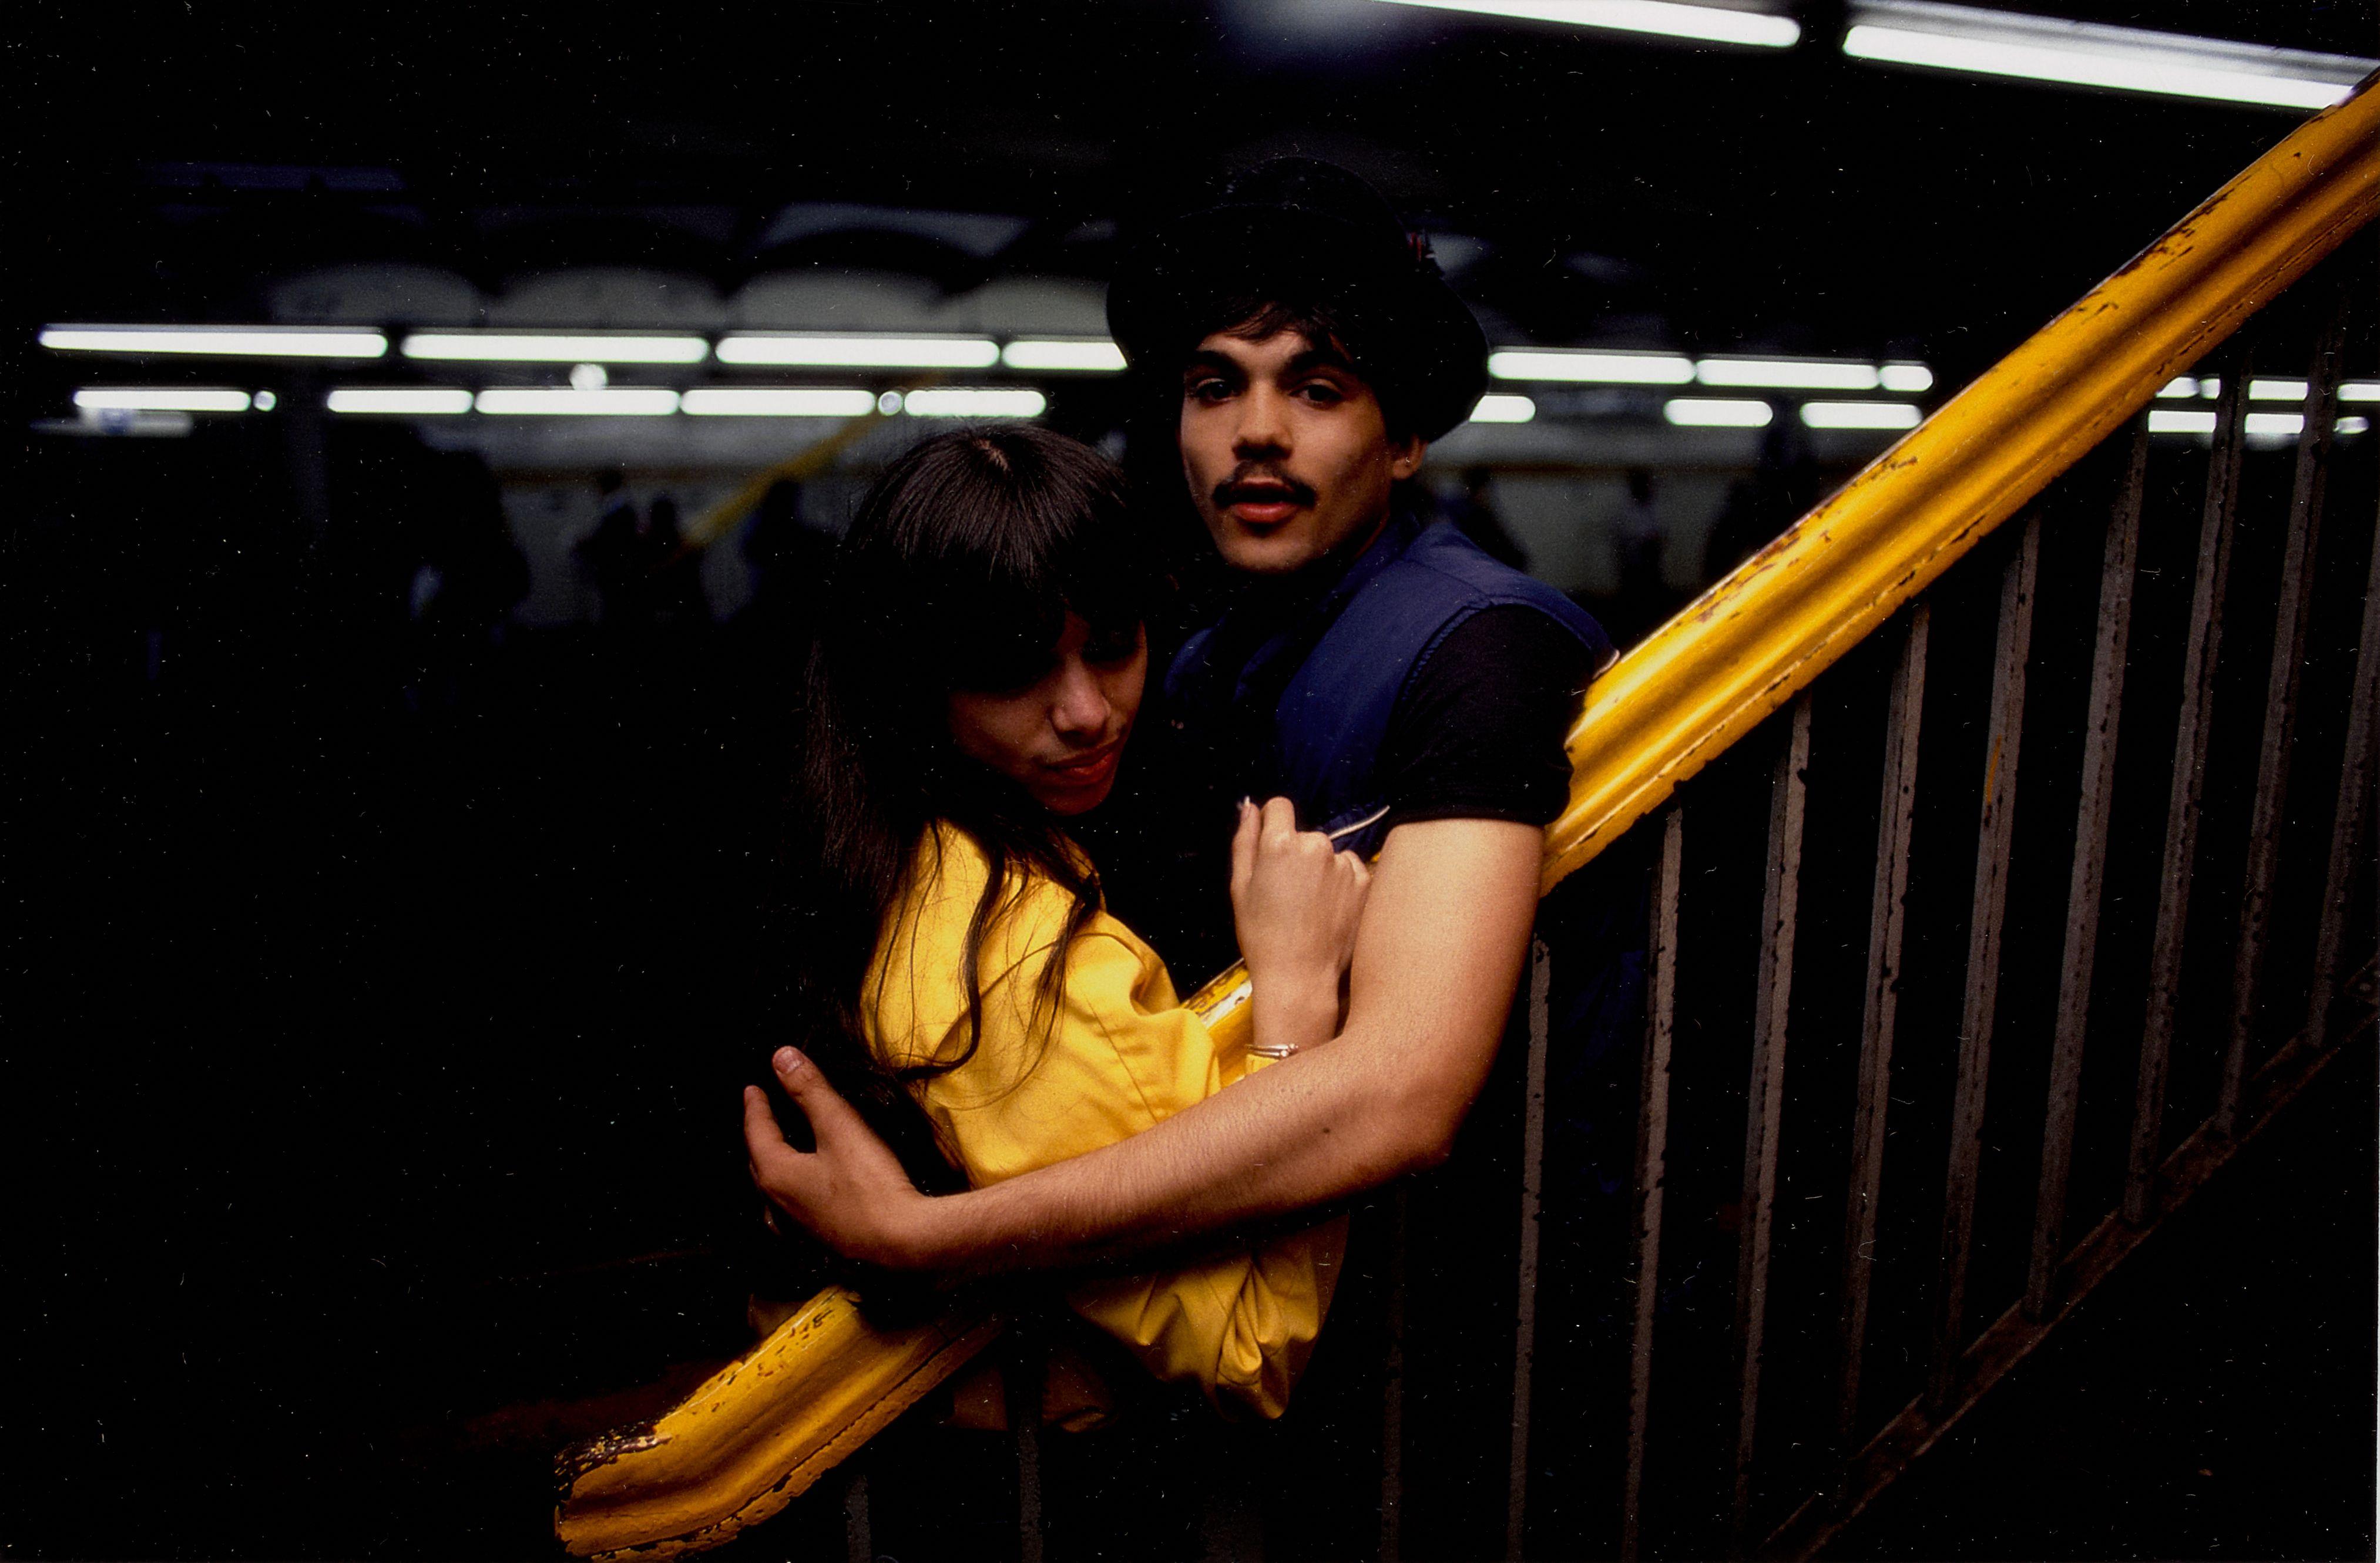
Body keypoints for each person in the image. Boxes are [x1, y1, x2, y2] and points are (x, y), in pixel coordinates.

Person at [746, 156, 1617, 1295]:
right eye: (1214, 386)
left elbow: (1404, 1094)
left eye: (1317, 387)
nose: (1256, 431)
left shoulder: (1478, 648)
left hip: (1507, 1287)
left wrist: (926, 1239)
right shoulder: (1195, 660)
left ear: (1402, 438)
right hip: (1314, 1287)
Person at [760, 422, 1369, 1425]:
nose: (1087, 711)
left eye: (1115, 644)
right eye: (1013, 669)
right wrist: (1301, 999)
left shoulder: (884, 844)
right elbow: (1250, 1349)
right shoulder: (1021, 968)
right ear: (914, 677)